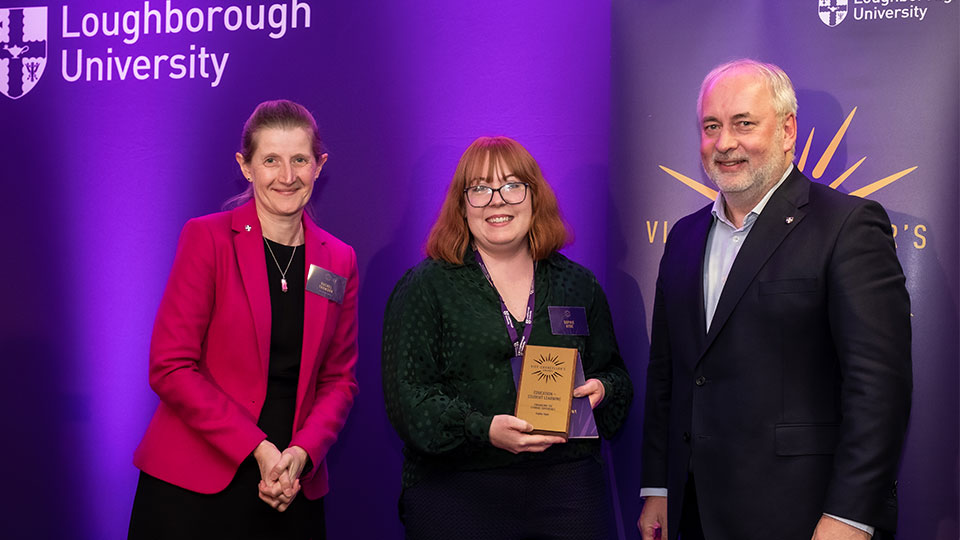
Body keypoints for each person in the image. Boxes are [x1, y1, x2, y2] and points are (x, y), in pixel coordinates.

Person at [637, 59, 912, 540]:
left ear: (787, 131)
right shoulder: (683, 238)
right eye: (711, 126)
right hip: (696, 512)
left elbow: (879, 390)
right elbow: (669, 374)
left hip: (805, 516)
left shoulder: (847, 227)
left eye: (744, 123)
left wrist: (850, 515)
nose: (725, 143)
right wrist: (657, 486)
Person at [382, 136, 633, 540]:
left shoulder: (578, 285)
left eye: (513, 185)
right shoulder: (426, 287)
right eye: (480, 189)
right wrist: (482, 429)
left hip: (568, 492)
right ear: (461, 206)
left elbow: (615, 376)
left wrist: (602, 389)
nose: (498, 200)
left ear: (535, 198)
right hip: (458, 493)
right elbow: (408, 401)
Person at [129, 100, 359, 539]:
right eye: (270, 160)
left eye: (300, 160)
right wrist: (257, 447)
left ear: (319, 165)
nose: (286, 176)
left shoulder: (338, 260)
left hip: (291, 485)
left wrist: (302, 454)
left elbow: (339, 380)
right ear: (246, 166)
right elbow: (170, 367)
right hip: (194, 488)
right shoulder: (208, 239)